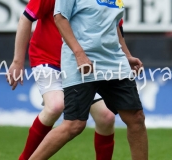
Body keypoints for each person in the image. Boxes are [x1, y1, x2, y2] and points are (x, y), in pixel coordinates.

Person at [28, 0, 148, 160]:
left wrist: (127, 55)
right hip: (82, 63)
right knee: (74, 124)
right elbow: (60, 18)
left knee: (136, 117)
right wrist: (79, 54)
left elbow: (114, 24)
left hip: (114, 62)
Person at [7, 0, 117, 159]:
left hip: (78, 64)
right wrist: (17, 61)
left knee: (106, 117)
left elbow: (112, 29)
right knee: (56, 106)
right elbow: (26, 18)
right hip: (47, 59)